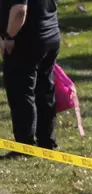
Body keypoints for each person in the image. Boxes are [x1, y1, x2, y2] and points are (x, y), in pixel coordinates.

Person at [1, 0, 61, 157]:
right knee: (44, 90)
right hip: (50, 34)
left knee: (21, 93)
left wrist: (8, 37)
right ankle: (47, 141)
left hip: (25, 41)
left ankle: (25, 146)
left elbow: (20, 10)